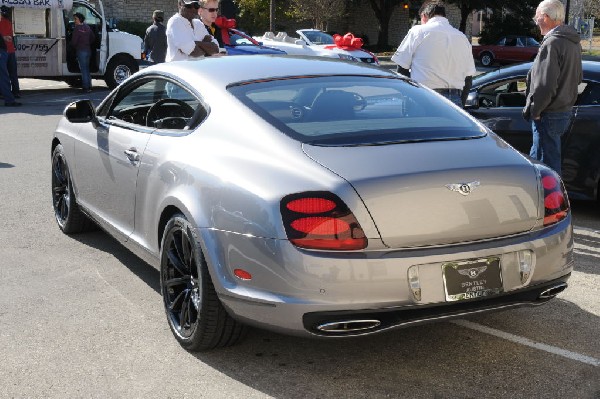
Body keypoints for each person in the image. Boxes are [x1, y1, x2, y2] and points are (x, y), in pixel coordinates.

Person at [523, 0, 582, 176]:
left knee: (544, 168)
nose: (536, 22)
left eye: (537, 18)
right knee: (544, 161)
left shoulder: (552, 43)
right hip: (563, 111)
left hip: (548, 113)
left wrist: (536, 111)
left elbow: (544, 85)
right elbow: (578, 77)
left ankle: (550, 202)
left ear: (546, 17)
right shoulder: (573, 42)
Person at [391, 1, 476, 107]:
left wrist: (408, 96)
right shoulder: (462, 38)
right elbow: (468, 79)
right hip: (454, 99)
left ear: (424, 16)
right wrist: (461, 105)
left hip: (422, 96)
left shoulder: (418, 32)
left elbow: (401, 69)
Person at [71, 12, 95, 92]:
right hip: (88, 50)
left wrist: (75, 47)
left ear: (79, 19)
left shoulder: (77, 29)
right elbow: (92, 38)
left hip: (81, 51)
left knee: (83, 69)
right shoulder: (87, 27)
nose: (74, 21)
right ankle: (89, 86)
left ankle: (86, 87)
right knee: (87, 69)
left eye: (75, 19)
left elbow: (74, 42)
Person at [0, 8, 19, 106]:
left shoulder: (4, 22)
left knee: (5, 75)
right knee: (6, 75)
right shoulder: (7, 22)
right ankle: (11, 97)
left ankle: (9, 97)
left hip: (5, 50)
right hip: (5, 50)